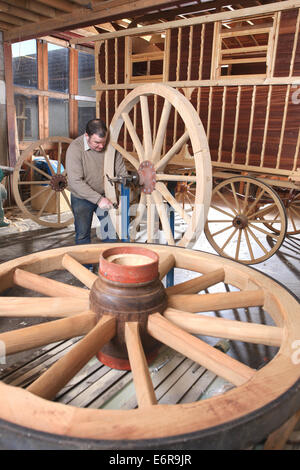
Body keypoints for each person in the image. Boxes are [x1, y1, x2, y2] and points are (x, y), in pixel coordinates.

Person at [66, 118, 127, 247]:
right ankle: (85, 267)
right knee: (82, 235)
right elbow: (75, 181)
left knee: (110, 234)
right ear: (86, 136)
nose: (101, 146)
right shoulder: (75, 148)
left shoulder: (110, 147)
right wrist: (99, 200)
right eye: (97, 143)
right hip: (81, 198)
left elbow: (122, 174)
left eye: (103, 142)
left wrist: (122, 196)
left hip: (106, 196)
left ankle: (109, 264)